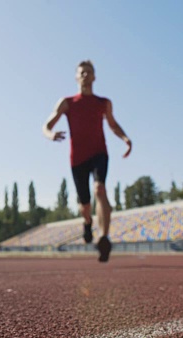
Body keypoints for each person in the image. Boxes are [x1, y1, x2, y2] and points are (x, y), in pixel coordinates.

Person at [42, 60, 132, 262]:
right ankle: (87, 222)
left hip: (99, 153)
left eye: (89, 72)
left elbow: (113, 124)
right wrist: (50, 134)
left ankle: (104, 238)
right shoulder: (67, 102)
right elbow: (47, 124)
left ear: (94, 77)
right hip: (78, 159)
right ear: (77, 77)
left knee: (100, 189)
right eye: (82, 72)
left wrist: (125, 139)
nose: (85, 75)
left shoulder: (103, 103)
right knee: (85, 206)